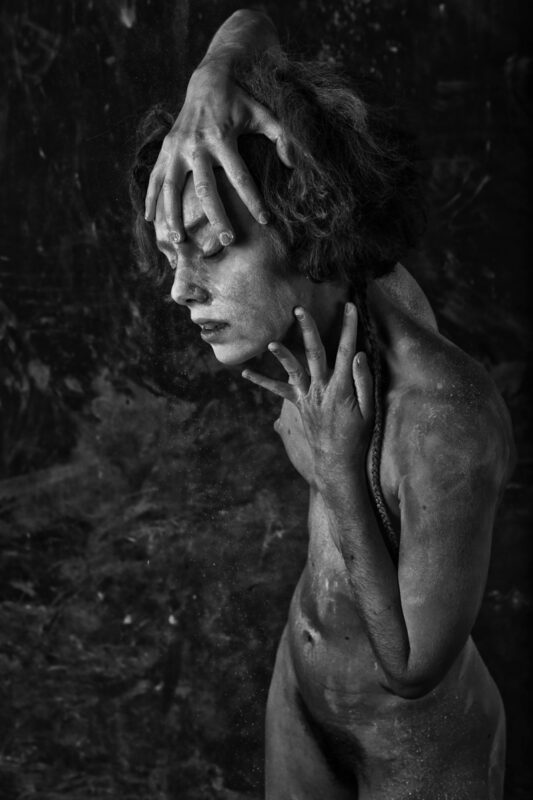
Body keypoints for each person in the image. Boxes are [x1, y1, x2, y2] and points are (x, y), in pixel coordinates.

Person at [130, 9, 515, 799]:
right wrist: (212, 78)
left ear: (311, 223)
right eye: (172, 254)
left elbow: (410, 669)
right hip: (302, 695)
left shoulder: (444, 418)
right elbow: (256, 25)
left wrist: (338, 469)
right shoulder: (328, 315)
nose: (180, 290)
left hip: (414, 748)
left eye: (210, 248)